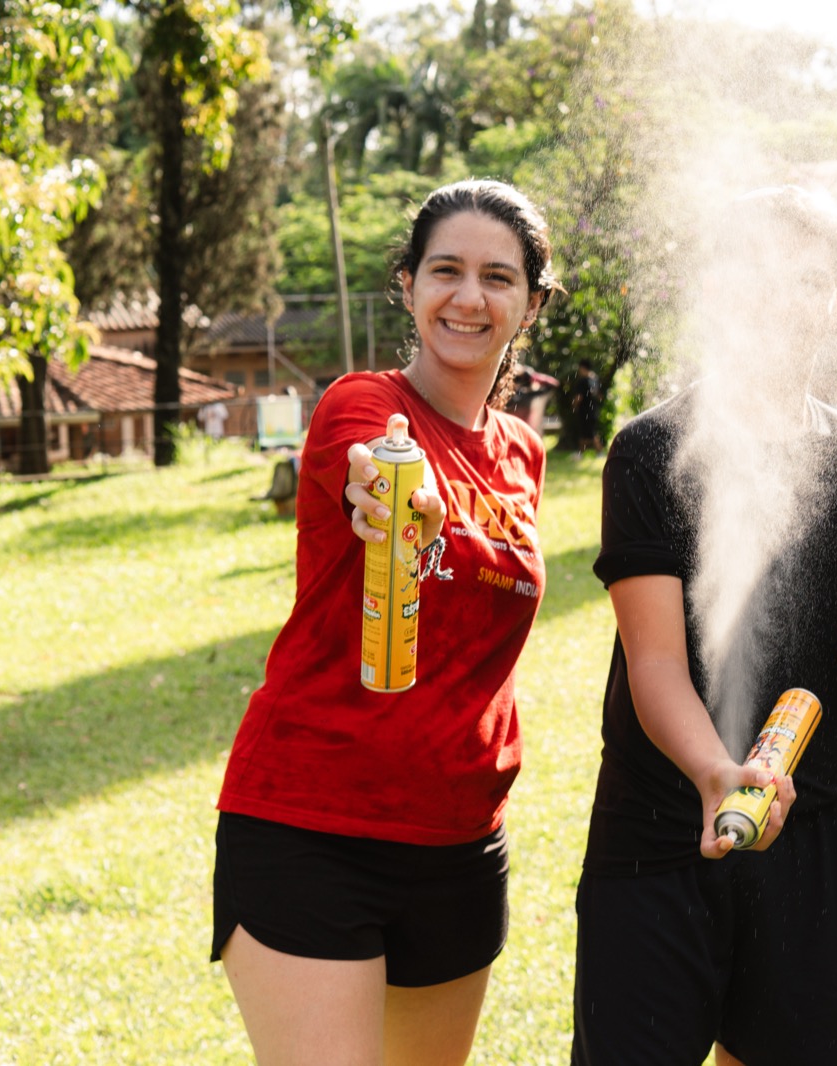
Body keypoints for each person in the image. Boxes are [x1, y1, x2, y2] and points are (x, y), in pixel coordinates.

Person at [212, 179, 559, 1066]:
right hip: (311, 827)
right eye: (445, 270)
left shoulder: (522, 451)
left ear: (531, 301)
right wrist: (389, 491)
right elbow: (371, 465)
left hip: (460, 838)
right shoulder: (361, 405)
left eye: (497, 277)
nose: (469, 297)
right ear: (407, 285)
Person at [571, 186, 837, 1066]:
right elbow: (654, 662)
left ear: (836, 302)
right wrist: (716, 771)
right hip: (662, 831)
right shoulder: (652, 450)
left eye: (805, 280)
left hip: (820, 832)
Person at [570, 358, 605, 453]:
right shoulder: (595, 379)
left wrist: (574, 406)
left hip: (585, 410)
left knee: (590, 433)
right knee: (585, 433)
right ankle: (580, 453)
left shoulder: (583, 381)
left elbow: (579, 397)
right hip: (593, 409)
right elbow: (599, 396)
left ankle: (600, 452)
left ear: (582, 367)